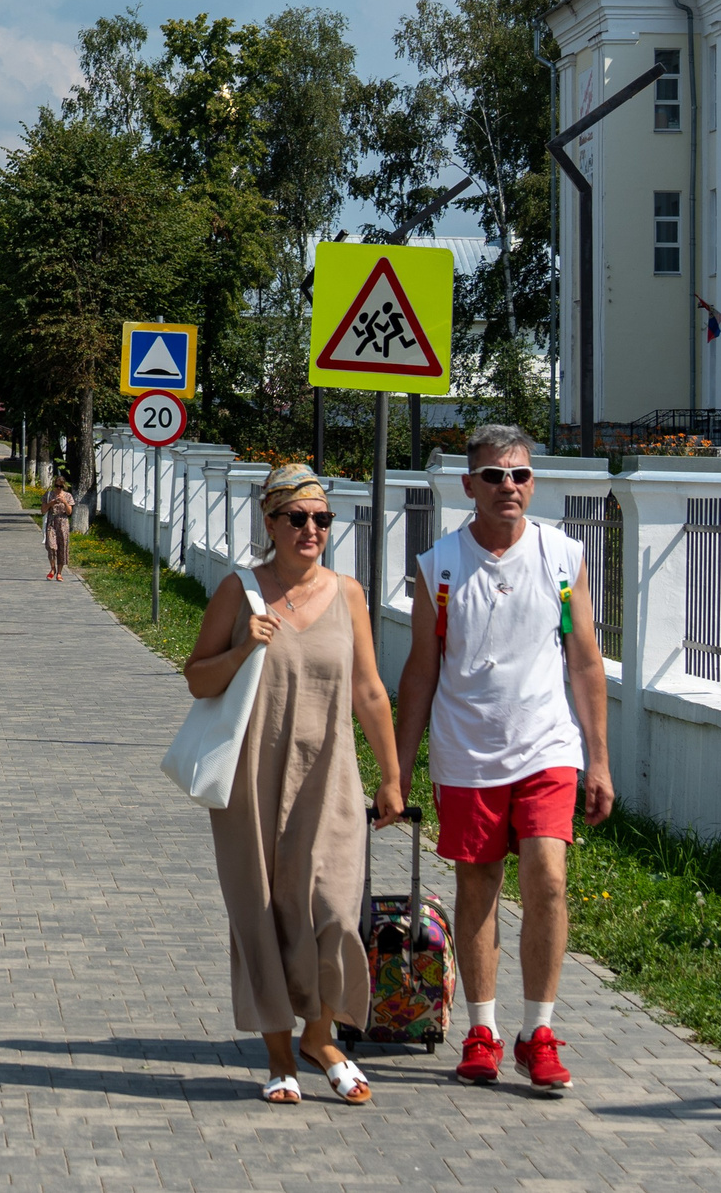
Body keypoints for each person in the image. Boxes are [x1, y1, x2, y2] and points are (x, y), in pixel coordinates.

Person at [394, 424, 613, 1093]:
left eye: (519, 475)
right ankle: (483, 1032)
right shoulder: (439, 568)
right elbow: (421, 675)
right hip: (468, 752)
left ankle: (538, 1032)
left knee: (548, 878)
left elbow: (584, 660)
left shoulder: (562, 557)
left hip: (547, 746)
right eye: (493, 476)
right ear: (469, 486)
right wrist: (397, 772)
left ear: (532, 482)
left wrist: (598, 760)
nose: (508, 487)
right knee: (478, 886)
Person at [186, 463, 406, 1106]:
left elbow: (369, 689)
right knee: (262, 915)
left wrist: (392, 776)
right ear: (271, 523)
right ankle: (281, 1054)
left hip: (330, 777)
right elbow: (198, 678)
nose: (312, 530)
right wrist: (241, 649)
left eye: (322, 520)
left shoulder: (350, 595)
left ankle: (321, 1033)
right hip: (252, 778)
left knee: (335, 913)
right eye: (298, 519)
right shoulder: (241, 592)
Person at [42, 474, 74, 579]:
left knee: (62, 547)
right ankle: (52, 568)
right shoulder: (48, 495)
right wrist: (51, 503)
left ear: (64, 486)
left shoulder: (68, 496)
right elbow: (43, 510)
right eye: (57, 486)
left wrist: (64, 502)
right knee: (51, 546)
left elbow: (69, 512)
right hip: (51, 522)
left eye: (60, 487)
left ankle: (59, 572)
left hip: (63, 523)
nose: (58, 489)